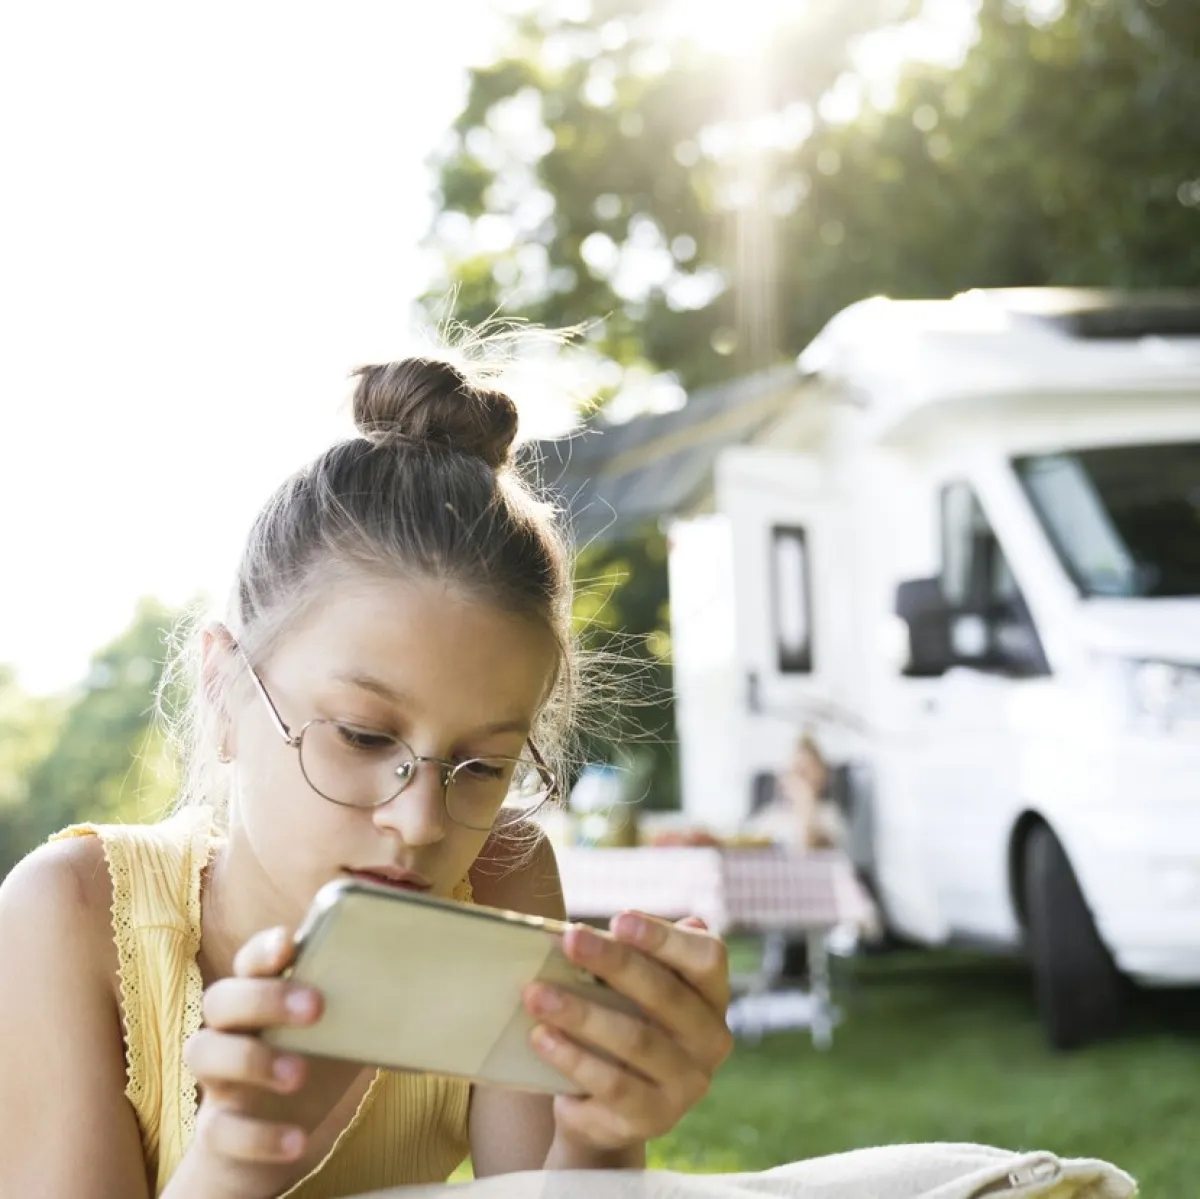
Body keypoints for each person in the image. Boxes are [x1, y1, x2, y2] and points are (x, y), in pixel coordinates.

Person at [0, 355, 733, 1199]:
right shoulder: (74, 912)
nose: (424, 820)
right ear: (224, 689)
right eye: (360, 734)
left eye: (483, 765)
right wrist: (235, 1164)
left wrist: (602, 1135)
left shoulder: (497, 870)